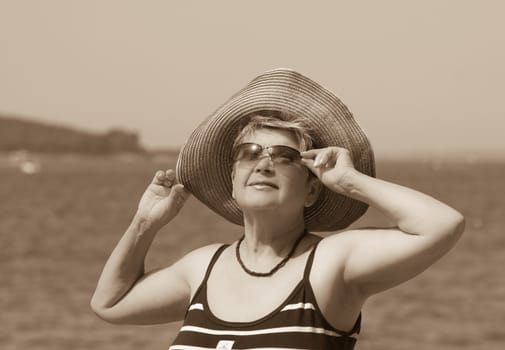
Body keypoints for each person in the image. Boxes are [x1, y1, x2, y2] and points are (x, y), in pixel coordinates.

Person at [91, 69, 465, 350]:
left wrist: (350, 181)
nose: (263, 164)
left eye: (284, 157)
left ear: (311, 190)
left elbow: (442, 225)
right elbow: (110, 303)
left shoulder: (330, 262)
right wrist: (145, 223)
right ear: (233, 182)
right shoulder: (201, 267)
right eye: (249, 154)